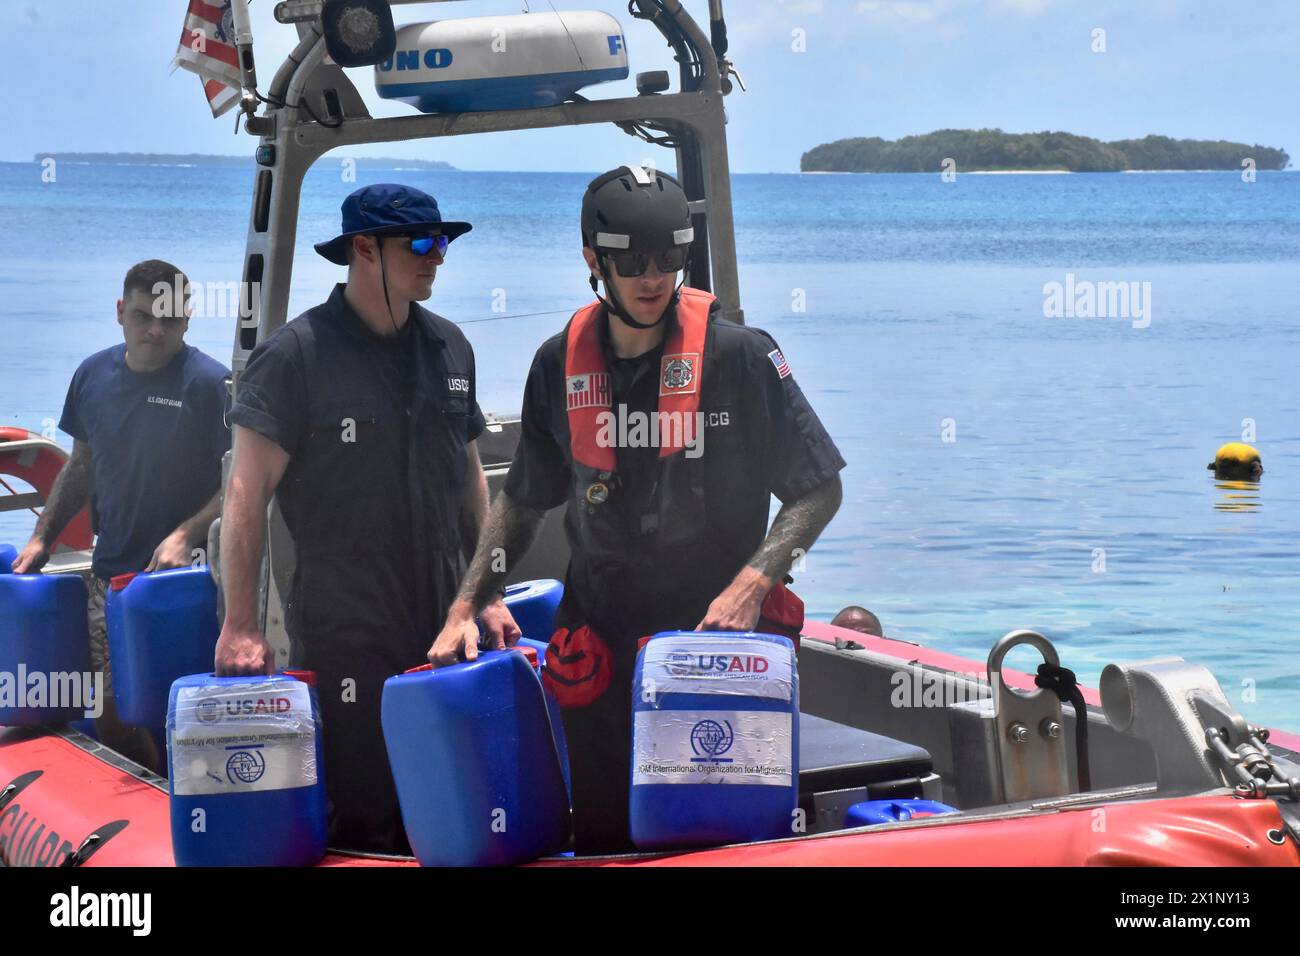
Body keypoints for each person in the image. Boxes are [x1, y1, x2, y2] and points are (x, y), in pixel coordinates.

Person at [429, 166, 846, 854]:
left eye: (669, 258)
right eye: (631, 261)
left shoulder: (742, 358)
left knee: (718, 840)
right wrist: (468, 601)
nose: (653, 277)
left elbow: (818, 489)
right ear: (594, 261)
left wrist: (753, 584)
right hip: (601, 640)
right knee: (603, 833)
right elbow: (524, 499)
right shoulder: (556, 364)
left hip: (713, 641)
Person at [217, 183, 519, 854]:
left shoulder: (451, 348)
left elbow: (469, 478)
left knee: (457, 798)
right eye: (420, 243)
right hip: (347, 617)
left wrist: (489, 592)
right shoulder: (295, 357)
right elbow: (245, 497)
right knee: (368, 804)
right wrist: (240, 624)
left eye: (443, 242)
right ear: (363, 249)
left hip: (446, 615)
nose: (437, 257)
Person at [13, 259, 231, 771]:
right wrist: (43, 536)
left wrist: (185, 533)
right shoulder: (91, 375)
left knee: (167, 711)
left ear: (188, 319)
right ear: (119, 313)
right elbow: (82, 465)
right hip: (111, 575)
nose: (155, 330)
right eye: (142, 316)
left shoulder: (211, 385)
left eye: (170, 320)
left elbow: (239, 485)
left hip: (187, 583)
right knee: (111, 712)